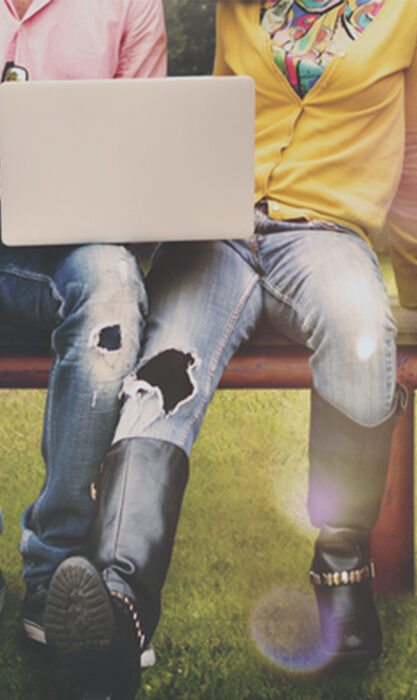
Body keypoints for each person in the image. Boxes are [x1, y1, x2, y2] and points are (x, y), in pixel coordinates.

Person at [43, 0, 417, 695]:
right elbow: (215, 120)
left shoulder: (415, 8)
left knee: (361, 330)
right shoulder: (240, 6)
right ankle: (120, 600)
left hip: (324, 235)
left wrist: (414, 275)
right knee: (164, 373)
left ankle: (343, 567)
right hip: (218, 231)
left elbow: (412, 138)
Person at [0, 0, 164, 655]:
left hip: (70, 249)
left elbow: (148, 160)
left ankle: (53, 573)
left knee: (113, 289)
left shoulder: (130, 5)